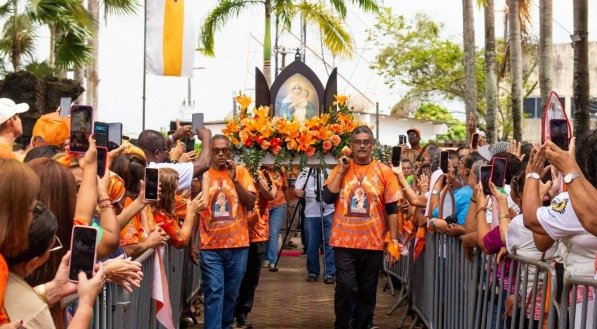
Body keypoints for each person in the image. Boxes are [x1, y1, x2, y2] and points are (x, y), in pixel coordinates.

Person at [323, 126, 400, 329]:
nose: (362, 146)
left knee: (367, 291)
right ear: (351, 146)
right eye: (358, 142)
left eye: (366, 142)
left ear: (372, 145)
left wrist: (393, 240)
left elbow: (393, 207)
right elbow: (328, 197)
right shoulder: (340, 169)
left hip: (372, 243)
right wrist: (341, 170)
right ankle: (341, 324)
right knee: (346, 286)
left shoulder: (384, 171)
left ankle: (361, 325)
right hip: (343, 241)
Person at [522, 133, 597, 329]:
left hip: (585, 296)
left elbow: (531, 218)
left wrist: (532, 175)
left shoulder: (570, 202)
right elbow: (543, 242)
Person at [4, 204, 105, 329]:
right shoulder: (36, 314)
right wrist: (86, 303)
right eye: (52, 247)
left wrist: (55, 289)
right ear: (32, 264)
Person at [198, 135, 256, 329]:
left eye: (225, 150)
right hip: (210, 247)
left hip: (238, 246)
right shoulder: (203, 175)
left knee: (231, 294)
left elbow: (250, 202)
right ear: (211, 153)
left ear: (231, 151)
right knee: (214, 292)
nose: (221, 154)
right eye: (216, 150)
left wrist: (235, 181)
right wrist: (192, 243)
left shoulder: (241, 172)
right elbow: (195, 211)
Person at [234, 170, 277, 327]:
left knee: (251, 279)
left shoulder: (266, 174)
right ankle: (230, 311)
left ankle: (242, 313)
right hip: (236, 234)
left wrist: (258, 178)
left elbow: (271, 195)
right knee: (236, 276)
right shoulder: (237, 171)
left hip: (258, 235)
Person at [295, 167, 336, 284]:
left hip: (329, 211)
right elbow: (297, 189)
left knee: (329, 244)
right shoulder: (305, 170)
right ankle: (313, 272)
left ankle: (329, 273)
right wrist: (299, 192)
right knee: (312, 245)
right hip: (311, 213)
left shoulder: (330, 170)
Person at [137, 127, 211, 191]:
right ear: (156, 153)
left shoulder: (135, 163)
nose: (167, 154)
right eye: (165, 151)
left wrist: (175, 136)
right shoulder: (155, 171)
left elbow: (155, 146)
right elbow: (203, 164)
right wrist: (206, 137)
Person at [265, 166, 289, 271]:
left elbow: (285, 187)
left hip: (279, 204)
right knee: (264, 232)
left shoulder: (281, 169)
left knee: (274, 232)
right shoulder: (260, 168)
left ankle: (272, 261)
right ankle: (264, 258)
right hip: (263, 205)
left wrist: (288, 205)